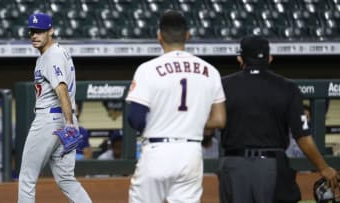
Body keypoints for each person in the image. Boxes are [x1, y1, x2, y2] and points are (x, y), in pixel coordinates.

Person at [219, 35, 339, 203]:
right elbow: (302, 136)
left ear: (240, 58)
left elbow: (211, 124)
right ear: (270, 58)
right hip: (271, 166)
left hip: (234, 164)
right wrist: (323, 168)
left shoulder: (222, 85)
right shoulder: (288, 87)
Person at [126, 10, 226, 203]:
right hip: (191, 152)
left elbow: (135, 118)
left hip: (158, 149)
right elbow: (220, 119)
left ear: (159, 36)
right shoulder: (210, 70)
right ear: (187, 36)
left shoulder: (147, 69)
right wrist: (190, 121)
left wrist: (164, 121)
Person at [17, 13, 92, 203]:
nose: (35, 35)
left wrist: (68, 123)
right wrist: (70, 122)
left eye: (40, 31)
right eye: (32, 32)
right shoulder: (59, 52)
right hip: (63, 120)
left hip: (50, 120)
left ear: (51, 31)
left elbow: (62, 89)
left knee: (27, 177)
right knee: (66, 179)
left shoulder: (52, 56)